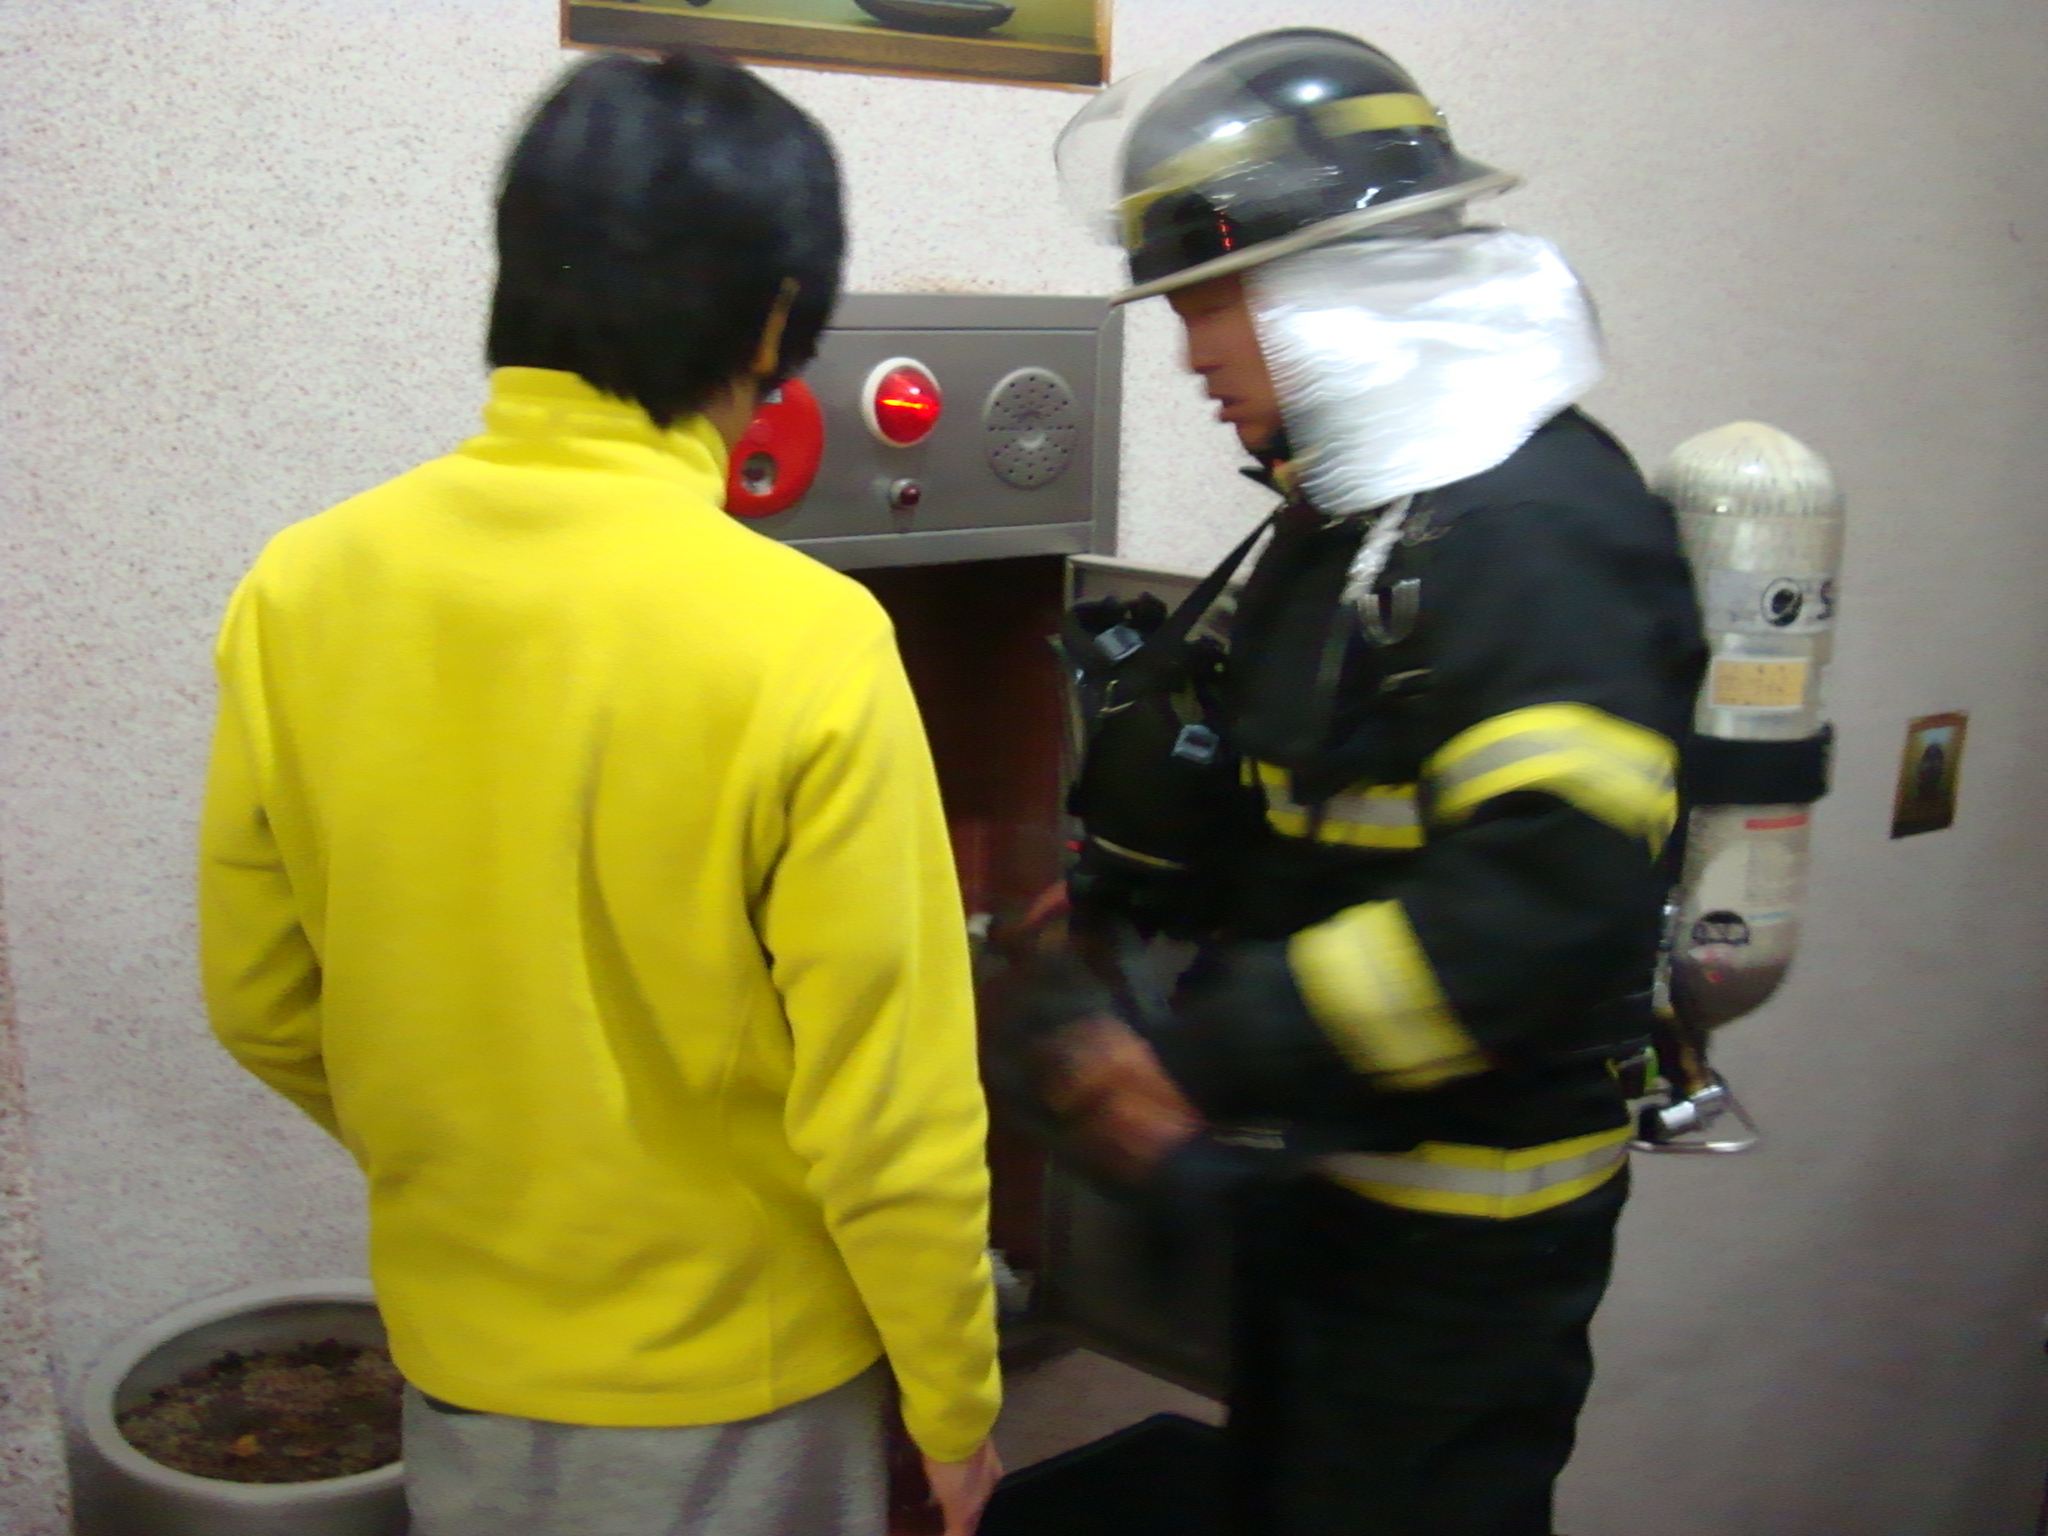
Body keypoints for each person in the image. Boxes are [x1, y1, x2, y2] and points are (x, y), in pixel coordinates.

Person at [199, 51, 1001, 1536]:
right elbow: (891, 1114)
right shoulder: (805, 640)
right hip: (741, 1383)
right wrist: (956, 1407)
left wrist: (479, 1166)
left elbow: (259, 1000)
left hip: (460, 1362)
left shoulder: (300, 592)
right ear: (775, 318)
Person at [1031, 29, 1707, 1536]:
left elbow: (1538, 910)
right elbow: (1317, 808)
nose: (1192, 357)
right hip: (1338, 1219)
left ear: (1331, 286)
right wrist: (1121, 894)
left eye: (1208, 303)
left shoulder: (1534, 529)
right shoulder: (1362, 522)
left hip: (1462, 1270)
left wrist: (1196, 1062)